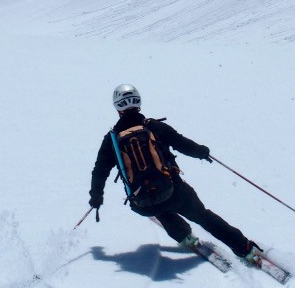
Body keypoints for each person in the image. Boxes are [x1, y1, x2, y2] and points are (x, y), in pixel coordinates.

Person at [88, 84, 264, 263]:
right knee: (203, 216)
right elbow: (183, 144)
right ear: (139, 102)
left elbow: (100, 171)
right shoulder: (153, 127)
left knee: (160, 210)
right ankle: (245, 249)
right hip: (175, 193)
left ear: (117, 108)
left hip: (142, 203)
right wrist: (202, 152)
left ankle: (185, 236)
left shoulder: (112, 140)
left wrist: (96, 197)